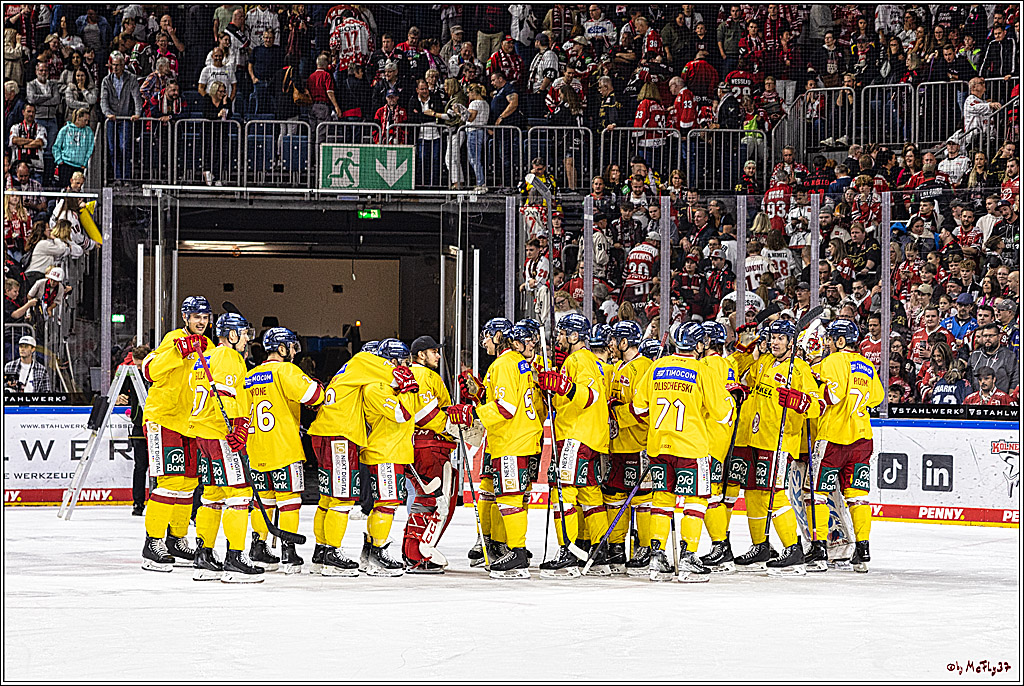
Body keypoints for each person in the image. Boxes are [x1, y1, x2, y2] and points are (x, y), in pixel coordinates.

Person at [630, 322, 733, 582]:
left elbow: (638, 408)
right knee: (697, 501)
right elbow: (724, 414)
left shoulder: (656, 367)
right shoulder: (702, 370)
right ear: (699, 345)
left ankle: (657, 558)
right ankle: (687, 558)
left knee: (662, 501)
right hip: (691, 447)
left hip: (658, 446)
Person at [307, 337, 419, 576]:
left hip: (329, 431)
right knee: (344, 499)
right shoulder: (370, 372)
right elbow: (403, 412)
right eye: (403, 361)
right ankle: (336, 554)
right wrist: (409, 387)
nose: (406, 366)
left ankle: (323, 550)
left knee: (329, 499)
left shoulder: (356, 370)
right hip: (344, 436)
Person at [446, 320, 541, 579]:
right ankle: (504, 546)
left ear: (499, 337)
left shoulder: (502, 364)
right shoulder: (521, 364)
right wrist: (480, 395)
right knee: (511, 497)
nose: (484, 342)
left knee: (509, 499)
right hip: (525, 438)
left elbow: (506, 408)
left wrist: (471, 411)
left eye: (487, 336)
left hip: (511, 440)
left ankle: (516, 554)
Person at [735, 319, 821, 574]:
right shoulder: (763, 363)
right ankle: (760, 545)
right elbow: (743, 375)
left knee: (775, 492)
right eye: (773, 337)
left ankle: (792, 547)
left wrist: (799, 401)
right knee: (752, 492)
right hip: (755, 437)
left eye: (781, 338)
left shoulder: (800, 369)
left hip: (780, 439)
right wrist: (744, 348)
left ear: (791, 342)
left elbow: (817, 405)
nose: (774, 342)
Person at [186, 312, 264, 583]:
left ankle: (203, 556)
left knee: (212, 495)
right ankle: (235, 558)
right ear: (232, 335)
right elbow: (227, 396)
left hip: (202, 433)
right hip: (221, 433)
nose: (245, 339)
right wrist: (239, 427)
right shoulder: (229, 357)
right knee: (239, 494)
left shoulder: (205, 358)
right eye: (243, 334)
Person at [533, 313, 610, 578]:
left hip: (576, 434)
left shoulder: (579, 359)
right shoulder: (592, 361)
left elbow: (590, 396)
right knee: (589, 494)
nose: (559, 339)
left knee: (562, 492)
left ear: (575, 336)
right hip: (591, 436)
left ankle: (568, 550)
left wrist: (564, 386)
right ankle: (600, 552)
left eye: (563, 333)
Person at [137, 296, 211, 572]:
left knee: (189, 483)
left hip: (191, 423)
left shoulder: (209, 346)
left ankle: (176, 539)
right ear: (185, 317)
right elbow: (149, 370)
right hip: (163, 419)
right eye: (196, 317)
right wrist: (177, 351)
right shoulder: (173, 339)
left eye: (204, 317)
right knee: (169, 482)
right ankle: (152, 542)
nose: (201, 322)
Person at [243, 327, 324, 574]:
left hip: (256, 449)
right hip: (284, 447)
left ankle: (258, 548)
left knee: (262, 503)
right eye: (291, 346)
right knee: (289, 503)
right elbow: (314, 396)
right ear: (282, 348)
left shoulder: (250, 375)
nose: (293, 352)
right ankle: (289, 552)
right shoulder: (286, 370)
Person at [808, 320, 884, 572]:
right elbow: (877, 397)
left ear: (840, 341)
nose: (828, 343)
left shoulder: (834, 361)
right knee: (858, 497)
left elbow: (832, 395)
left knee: (818, 494)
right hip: (862, 437)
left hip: (833, 438)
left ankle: (818, 550)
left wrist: (815, 387)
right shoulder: (868, 365)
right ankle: (863, 550)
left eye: (830, 339)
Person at [401, 335, 460, 573]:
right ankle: (417, 553)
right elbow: (425, 415)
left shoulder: (411, 375)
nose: (438, 355)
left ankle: (412, 550)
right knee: (433, 500)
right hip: (429, 446)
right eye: (433, 351)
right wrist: (454, 424)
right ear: (421, 355)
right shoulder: (424, 375)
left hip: (420, 445)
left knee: (425, 498)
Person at [604, 320, 653, 574]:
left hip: (638, 444)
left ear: (625, 342)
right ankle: (616, 545)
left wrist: (617, 411)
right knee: (614, 495)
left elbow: (644, 409)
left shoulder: (644, 367)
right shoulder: (617, 367)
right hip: (617, 444)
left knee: (642, 499)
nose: (610, 344)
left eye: (614, 339)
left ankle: (645, 546)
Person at [100, 53, 142, 182]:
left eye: (118, 65)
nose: (115, 68)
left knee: (124, 147)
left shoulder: (131, 78)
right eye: (113, 65)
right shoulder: (106, 80)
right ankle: (118, 177)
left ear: (123, 65)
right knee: (112, 149)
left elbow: (136, 97)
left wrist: (137, 113)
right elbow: (103, 100)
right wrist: (107, 113)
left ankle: (127, 177)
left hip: (125, 118)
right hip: (112, 119)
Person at [966, 323, 1017, 394]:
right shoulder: (975, 355)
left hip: (1000, 400)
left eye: (991, 336)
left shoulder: (1009, 355)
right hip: (977, 400)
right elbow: (968, 377)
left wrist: (1008, 399)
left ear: (999, 336)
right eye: (985, 336)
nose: (987, 338)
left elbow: (1014, 381)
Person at [50, 108, 94, 189]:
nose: (87, 123)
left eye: (88, 120)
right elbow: (56, 146)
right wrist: (59, 160)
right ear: (78, 118)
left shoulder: (88, 131)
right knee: (64, 190)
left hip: (79, 166)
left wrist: (85, 163)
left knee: (78, 190)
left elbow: (90, 148)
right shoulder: (65, 129)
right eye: (85, 120)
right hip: (66, 164)